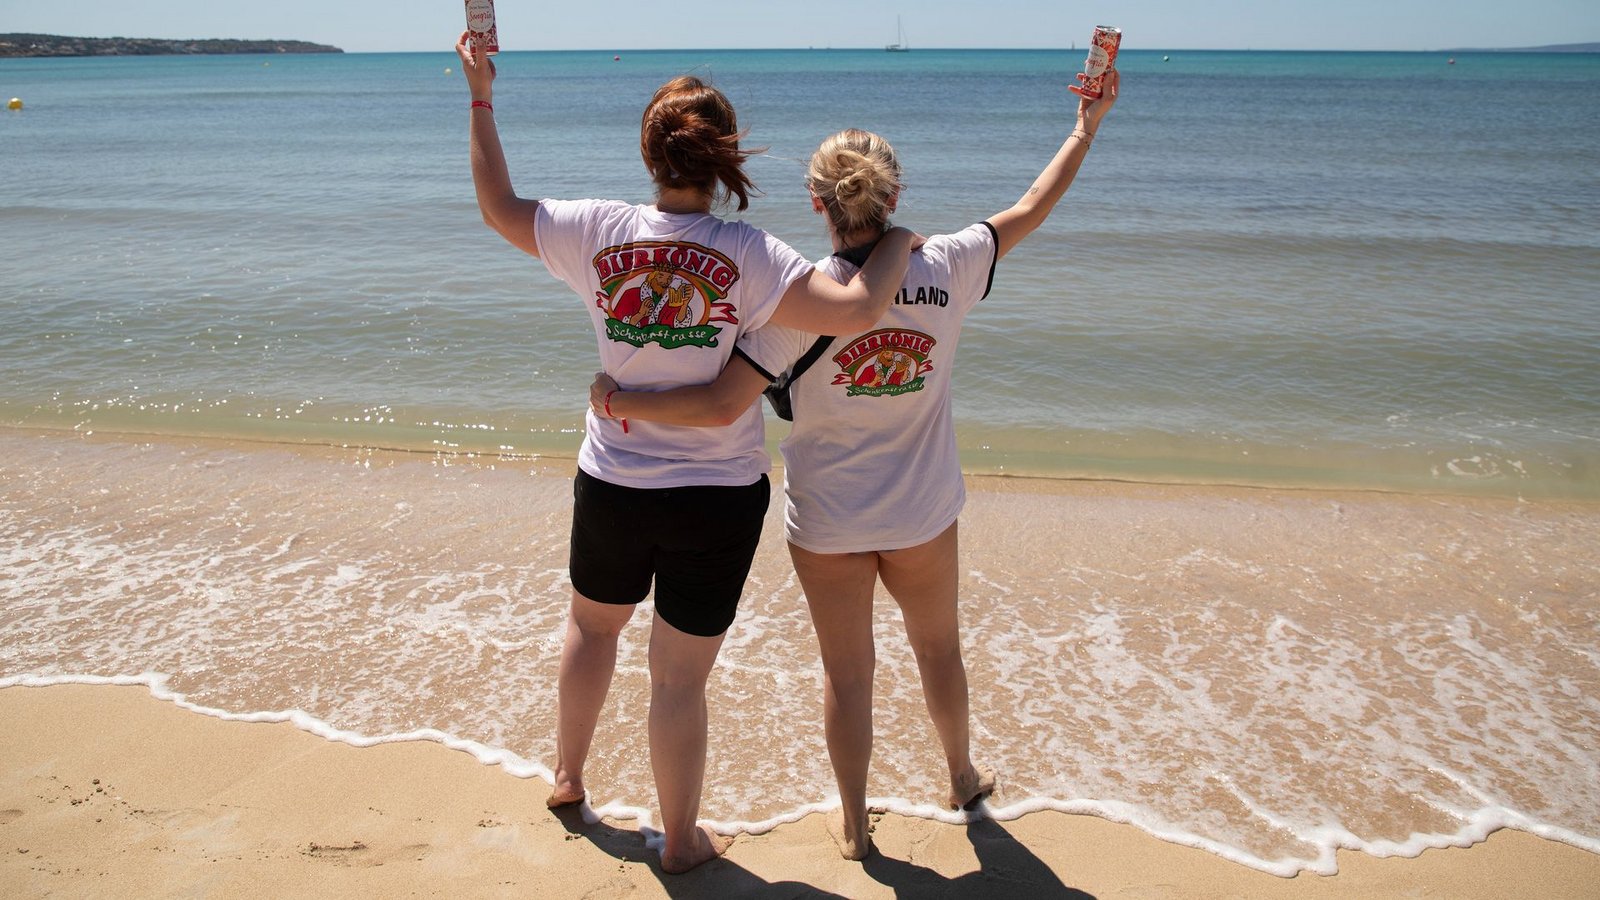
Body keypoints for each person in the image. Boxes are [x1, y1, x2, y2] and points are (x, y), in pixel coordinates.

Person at [591, 70, 1120, 860]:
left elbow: (720, 402)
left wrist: (620, 399)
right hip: (921, 513)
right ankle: (961, 777)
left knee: (847, 675)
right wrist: (1085, 127)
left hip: (828, 521)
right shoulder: (947, 266)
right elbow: (1031, 208)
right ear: (893, 193)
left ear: (818, 204)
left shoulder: (796, 307)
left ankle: (852, 823)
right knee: (939, 650)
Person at [454, 33, 918, 873]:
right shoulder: (750, 254)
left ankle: (568, 777)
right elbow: (856, 311)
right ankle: (680, 841)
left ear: (649, 152)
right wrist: (896, 242)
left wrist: (481, 94)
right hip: (715, 498)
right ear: (723, 157)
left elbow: (497, 205)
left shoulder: (596, 229)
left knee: (591, 629)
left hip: (613, 481)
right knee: (677, 679)